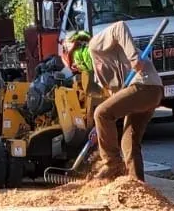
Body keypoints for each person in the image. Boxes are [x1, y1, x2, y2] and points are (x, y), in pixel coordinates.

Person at [61, 21, 163, 182]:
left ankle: (111, 162)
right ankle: (137, 185)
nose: (79, 67)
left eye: (76, 63)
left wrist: (133, 57)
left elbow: (120, 27)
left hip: (144, 84)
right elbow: (114, 104)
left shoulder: (95, 45)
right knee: (128, 143)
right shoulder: (99, 75)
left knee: (101, 113)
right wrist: (100, 130)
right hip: (149, 91)